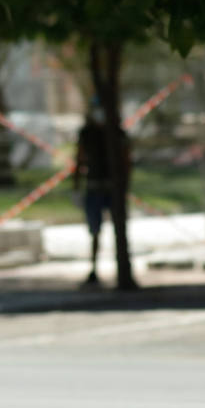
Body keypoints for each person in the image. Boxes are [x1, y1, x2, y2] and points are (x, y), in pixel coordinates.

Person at [73, 100, 130, 288]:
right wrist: (76, 187)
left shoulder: (117, 133)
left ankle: (122, 269)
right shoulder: (87, 134)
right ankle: (94, 269)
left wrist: (124, 185)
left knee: (119, 230)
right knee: (95, 231)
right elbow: (79, 159)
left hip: (113, 189)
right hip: (94, 187)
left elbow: (127, 160)